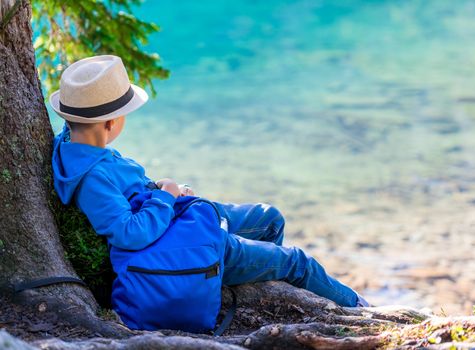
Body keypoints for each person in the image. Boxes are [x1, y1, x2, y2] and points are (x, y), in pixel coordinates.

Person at [50, 55, 370, 308]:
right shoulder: (92, 177)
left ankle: (243, 278)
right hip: (180, 244)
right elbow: (129, 233)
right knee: (299, 262)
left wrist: (161, 190)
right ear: (109, 123)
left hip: (177, 220)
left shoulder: (82, 148)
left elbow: (130, 194)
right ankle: (361, 309)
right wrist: (166, 197)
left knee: (270, 219)